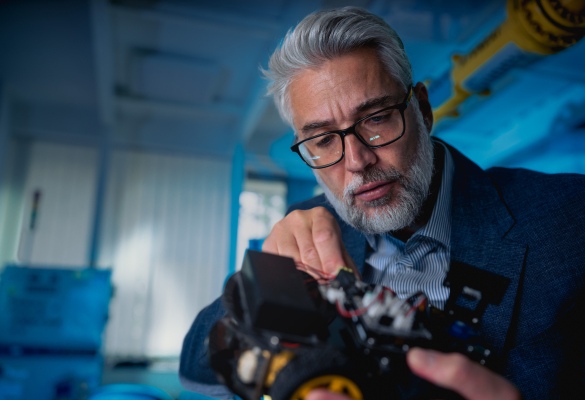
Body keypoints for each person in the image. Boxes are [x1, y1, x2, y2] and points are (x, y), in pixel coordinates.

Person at [180, 7, 585, 400]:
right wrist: (264, 286)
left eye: (376, 118)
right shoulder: (307, 228)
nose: (357, 162)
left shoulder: (571, 216)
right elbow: (194, 364)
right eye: (323, 140)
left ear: (422, 111)